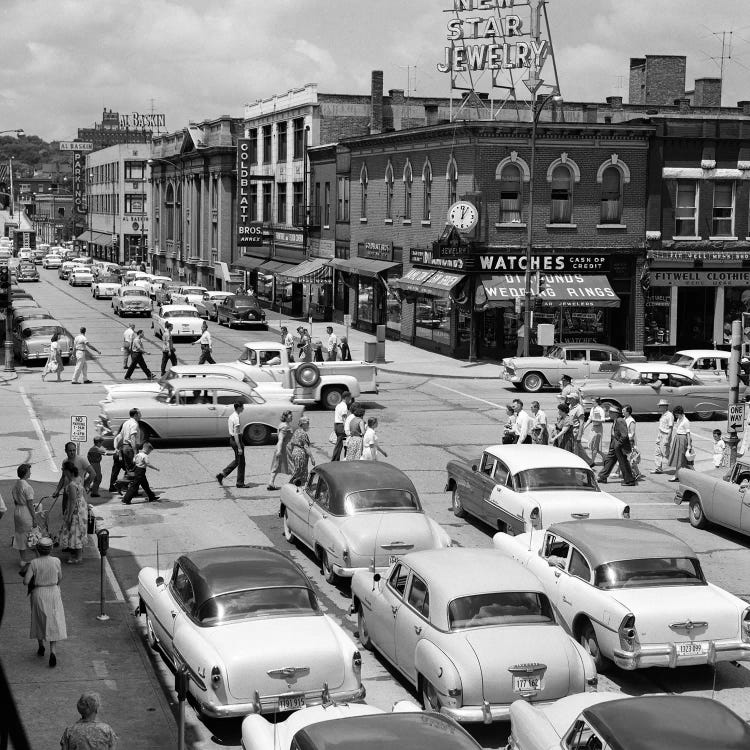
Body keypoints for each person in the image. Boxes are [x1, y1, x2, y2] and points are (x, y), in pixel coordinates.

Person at [23, 537, 66, 668]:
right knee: (53, 620)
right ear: (51, 548)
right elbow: (60, 578)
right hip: (53, 592)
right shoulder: (56, 561)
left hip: (38, 593)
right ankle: (53, 651)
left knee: (38, 619)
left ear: (37, 549)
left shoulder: (34, 563)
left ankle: (41, 646)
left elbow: (26, 581)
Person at [597, 404, 635, 486]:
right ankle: (603, 477)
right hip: (614, 444)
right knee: (609, 460)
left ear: (615, 413)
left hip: (619, 445)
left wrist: (618, 444)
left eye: (610, 412)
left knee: (623, 462)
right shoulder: (615, 420)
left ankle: (629, 480)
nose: (608, 414)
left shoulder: (620, 420)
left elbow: (624, 435)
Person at [58, 461, 88, 563]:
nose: (62, 471)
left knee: (75, 530)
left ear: (67, 471)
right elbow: (83, 493)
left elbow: (72, 501)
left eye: (63, 469)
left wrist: (69, 516)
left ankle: (78, 557)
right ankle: (77, 553)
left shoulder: (71, 484)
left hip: (76, 509)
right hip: (82, 507)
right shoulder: (79, 478)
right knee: (79, 529)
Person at [53, 442, 94, 511]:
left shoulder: (82, 460)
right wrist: (57, 490)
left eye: (74, 450)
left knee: (75, 514)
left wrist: (86, 486)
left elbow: (93, 473)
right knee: (65, 512)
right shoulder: (65, 461)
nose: (72, 452)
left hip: (77, 493)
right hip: (66, 493)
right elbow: (63, 477)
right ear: (65, 451)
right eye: (70, 451)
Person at [216, 401, 247, 489]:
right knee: (241, 463)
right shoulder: (236, 418)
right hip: (236, 440)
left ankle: (222, 475)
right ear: (238, 408)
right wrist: (239, 447)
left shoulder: (231, 416)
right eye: (242, 407)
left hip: (232, 440)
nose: (243, 408)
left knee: (238, 461)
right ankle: (240, 483)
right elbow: (236, 434)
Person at [12, 463, 38, 568]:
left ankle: (23, 559)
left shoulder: (16, 485)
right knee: (33, 534)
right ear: (26, 473)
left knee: (20, 534)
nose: (30, 472)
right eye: (29, 471)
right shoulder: (27, 487)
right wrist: (34, 518)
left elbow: (14, 500)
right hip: (25, 511)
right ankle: (38, 558)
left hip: (17, 510)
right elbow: (30, 504)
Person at [267, 410, 294, 490]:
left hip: (284, 448)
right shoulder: (285, 426)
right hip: (284, 449)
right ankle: (291, 484)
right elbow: (280, 439)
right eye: (290, 415)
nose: (292, 416)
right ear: (285, 417)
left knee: (276, 465)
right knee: (291, 465)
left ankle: (271, 483)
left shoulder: (284, 425)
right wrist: (279, 450)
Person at [668, 406, 693, 481]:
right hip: (678, 438)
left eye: (677, 415)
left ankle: (677, 475)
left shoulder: (685, 421)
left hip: (682, 439)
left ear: (681, 413)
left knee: (681, 459)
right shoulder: (679, 419)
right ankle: (679, 475)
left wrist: (689, 445)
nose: (676, 416)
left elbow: (688, 434)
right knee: (679, 458)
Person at [288, 416, 315, 484]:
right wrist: (312, 457)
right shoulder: (303, 433)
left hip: (295, 453)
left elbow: (291, 444)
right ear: (302, 424)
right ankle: (290, 485)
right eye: (307, 423)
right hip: (300, 455)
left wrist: (292, 454)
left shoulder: (296, 431)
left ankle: (294, 485)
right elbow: (306, 447)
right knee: (299, 472)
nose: (308, 424)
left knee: (297, 471)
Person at [651, 399, 674, 474]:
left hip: (665, 435)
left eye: (660, 406)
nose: (659, 407)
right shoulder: (663, 414)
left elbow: (671, 428)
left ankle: (678, 465)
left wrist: (668, 438)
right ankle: (658, 468)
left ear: (665, 407)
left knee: (666, 453)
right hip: (660, 434)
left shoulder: (669, 415)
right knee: (657, 451)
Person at [622, 404, 643, 480]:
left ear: (628, 412)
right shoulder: (624, 419)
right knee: (626, 458)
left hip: (630, 442)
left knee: (630, 459)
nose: (622, 411)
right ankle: (632, 473)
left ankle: (637, 473)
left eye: (624, 410)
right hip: (625, 441)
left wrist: (634, 445)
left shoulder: (631, 421)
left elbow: (632, 433)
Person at [585, 397, 606, 467]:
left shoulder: (600, 410)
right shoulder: (592, 409)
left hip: (598, 429)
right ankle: (605, 457)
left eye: (593, 401)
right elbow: (589, 419)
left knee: (595, 446)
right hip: (593, 428)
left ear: (597, 402)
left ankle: (592, 462)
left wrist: (595, 420)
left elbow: (603, 420)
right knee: (592, 445)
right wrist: (584, 427)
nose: (592, 402)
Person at [331, 391, 352, 461]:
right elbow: (344, 418)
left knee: (339, 444)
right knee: (341, 444)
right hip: (341, 426)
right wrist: (347, 428)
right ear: (346, 398)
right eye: (349, 398)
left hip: (336, 425)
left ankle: (336, 459)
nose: (350, 400)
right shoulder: (344, 406)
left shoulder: (338, 405)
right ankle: (335, 459)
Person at [568, 393, 588, 462]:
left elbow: (581, 423)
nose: (569, 399)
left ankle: (575, 463)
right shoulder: (570, 406)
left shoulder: (579, 408)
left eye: (570, 398)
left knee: (575, 449)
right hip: (570, 430)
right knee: (578, 448)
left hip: (575, 430)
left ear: (574, 399)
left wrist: (579, 435)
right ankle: (589, 462)